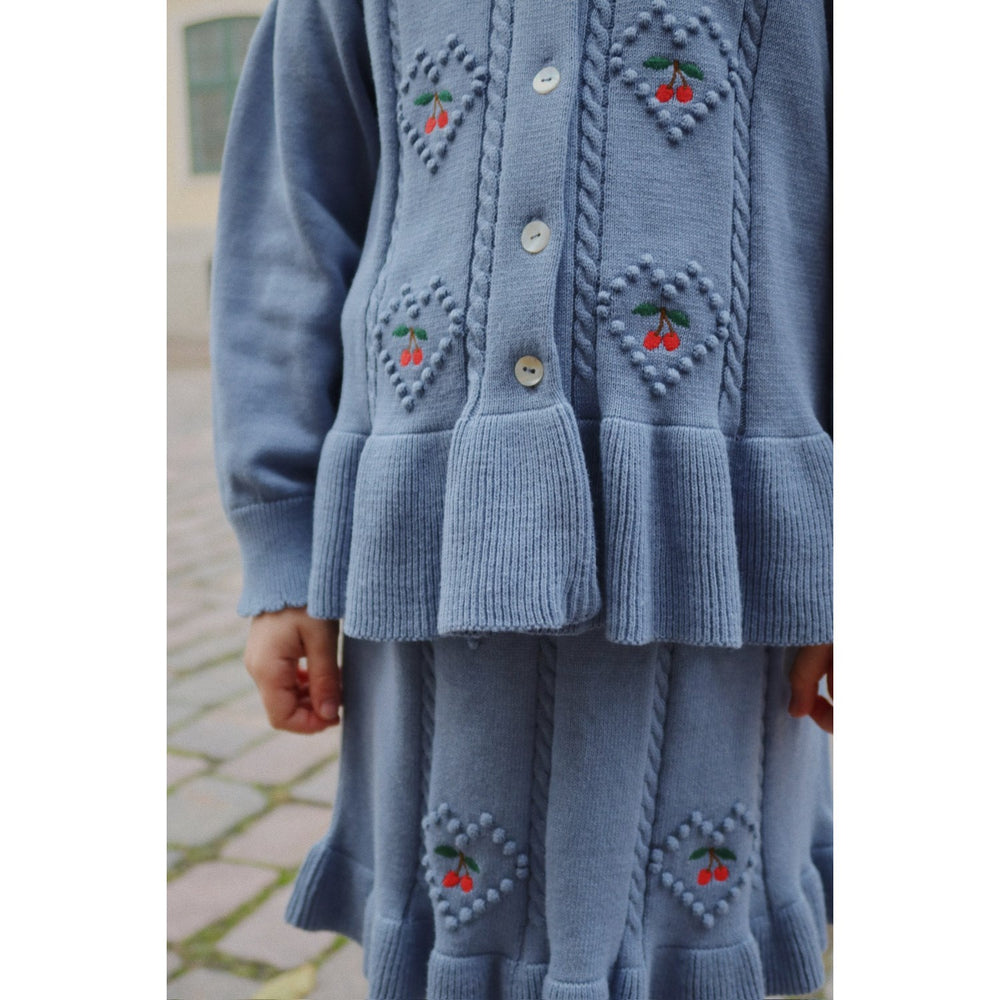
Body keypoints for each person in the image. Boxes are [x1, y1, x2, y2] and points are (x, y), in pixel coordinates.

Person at [210, 1, 833, 998]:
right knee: (461, 913)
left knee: (694, 922)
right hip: (431, 540)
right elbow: (288, 214)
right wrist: (281, 539)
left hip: (729, 556)